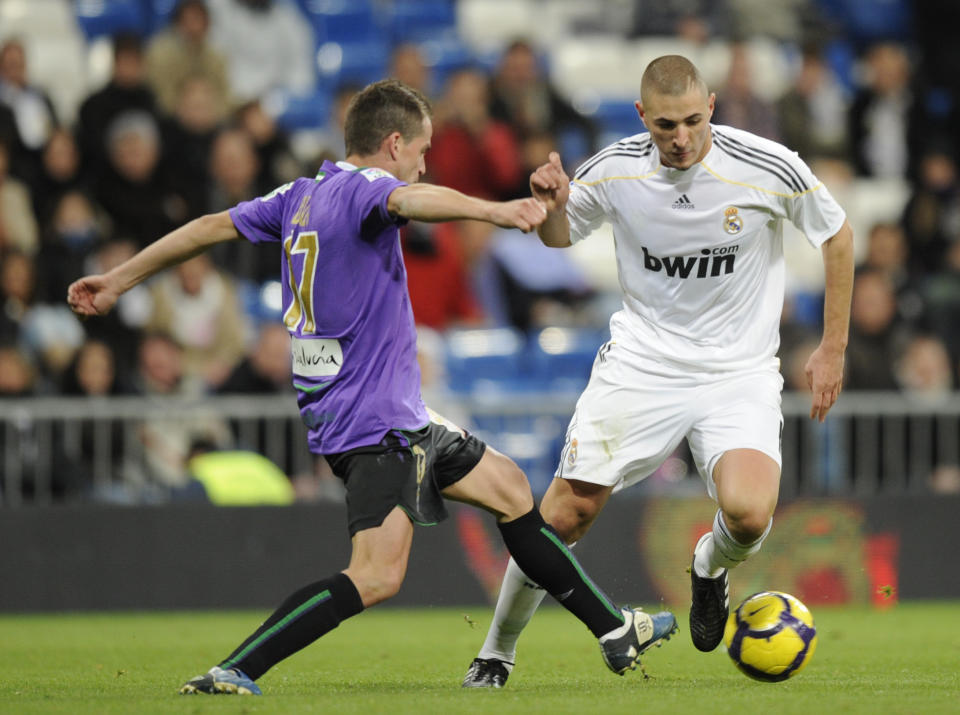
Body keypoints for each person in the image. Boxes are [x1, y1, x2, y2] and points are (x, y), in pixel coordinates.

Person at [67, 79, 677, 696]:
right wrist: (493, 211)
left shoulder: (300, 194)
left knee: (511, 487)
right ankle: (235, 669)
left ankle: (612, 631)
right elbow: (411, 201)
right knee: (377, 576)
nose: (423, 160)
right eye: (422, 148)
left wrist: (120, 278)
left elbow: (206, 227)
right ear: (392, 144)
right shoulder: (369, 191)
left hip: (392, 412)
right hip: (374, 421)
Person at [461, 54, 854, 688]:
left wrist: (832, 347)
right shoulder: (615, 169)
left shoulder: (765, 165)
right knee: (562, 517)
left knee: (750, 517)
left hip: (738, 371)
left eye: (694, 121)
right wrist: (556, 205)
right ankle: (496, 652)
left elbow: (836, 235)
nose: (681, 137)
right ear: (642, 115)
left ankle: (708, 565)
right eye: (666, 124)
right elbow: (559, 238)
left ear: (713, 108)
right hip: (644, 363)